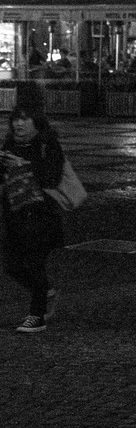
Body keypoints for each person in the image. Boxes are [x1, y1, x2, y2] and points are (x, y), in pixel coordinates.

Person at [3, 104, 66, 333]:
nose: (18, 124)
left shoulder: (47, 144)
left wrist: (24, 166)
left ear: (36, 122)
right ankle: (45, 291)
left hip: (41, 215)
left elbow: (51, 178)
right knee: (12, 266)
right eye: (15, 120)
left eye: (25, 119)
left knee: (34, 264)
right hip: (15, 213)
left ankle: (36, 316)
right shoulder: (10, 144)